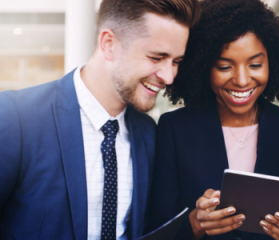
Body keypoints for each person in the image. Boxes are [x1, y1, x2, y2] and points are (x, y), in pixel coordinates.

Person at [0, 0, 200, 239]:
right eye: (156, 57)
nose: (169, 77)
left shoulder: (148, 133)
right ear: (109, 44)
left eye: (176, 61)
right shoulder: (15, 116)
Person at [147, 0, 279, 239]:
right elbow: (156, 228)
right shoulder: (175, 129)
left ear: (274, 62)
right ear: (203, 66)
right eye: (224, 66)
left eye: (255, 64)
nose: (241, 80)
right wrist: (194, 224)